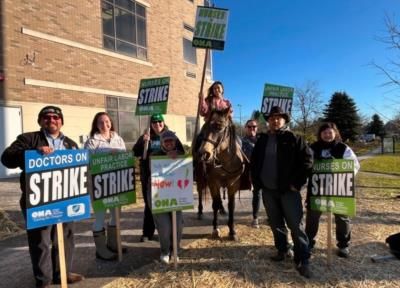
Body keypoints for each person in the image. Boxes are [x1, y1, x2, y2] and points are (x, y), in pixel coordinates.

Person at [1, 105, 84, 288]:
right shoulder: (29, 139)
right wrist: (32, 152)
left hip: (66, 199)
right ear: (40, 121)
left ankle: (62, 273)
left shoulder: (70, 143)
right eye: (46, 117)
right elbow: (7, 157)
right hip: (38, 201)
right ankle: (44, 280)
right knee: (41, 242)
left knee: (66, 237)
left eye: (55, 117)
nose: (51, 120)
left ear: (61, 121)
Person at [250, 106, 313, 278]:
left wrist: (297, 183)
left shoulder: (294, 138)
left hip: (288, 191)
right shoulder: (262, 140)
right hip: (268, 191)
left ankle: (303, 259)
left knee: (295, 225)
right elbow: (254, 162)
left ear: (285, 120)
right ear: (268, 121)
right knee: (276, 223)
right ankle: (282, 250)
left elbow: (308, 161)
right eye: (271, 118)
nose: (274, 120)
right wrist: (257, 183)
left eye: (278, 118)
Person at [305, 122, 360, 258]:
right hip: (317, 190)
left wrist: (339, 169)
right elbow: (306, 164)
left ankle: (343, 245)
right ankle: (308, 242)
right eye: (324, 133)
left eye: (330, 132)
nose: (327, 135)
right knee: (312, 217)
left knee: (342, 217)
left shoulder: (343, 148)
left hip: (339, 189)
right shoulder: (313, 148)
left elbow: (354, 165)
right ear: (320, 134)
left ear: (335, 133)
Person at [133, 114, 184, 242]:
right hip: (149, 176)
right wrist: (142, 142)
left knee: (168, 205)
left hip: (168, 177)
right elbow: (135, 152)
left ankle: (170, 234)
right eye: (154, 122)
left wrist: (176, 153)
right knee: (150, 205)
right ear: (151, 124)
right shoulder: (146, 136)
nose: (157, 124)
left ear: (163, 122)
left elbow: (182, 152)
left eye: (159, 121)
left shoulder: (171, 135)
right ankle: (147, 232)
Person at [84, 112, 126, 261]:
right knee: (100, 217)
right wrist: (108, 153)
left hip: (116, 183)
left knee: (116, 216)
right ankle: (101, 250)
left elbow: (125, 158)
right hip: (99, 185)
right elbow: (87, 162)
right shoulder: (92, 142)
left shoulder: (118, 138)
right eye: (101, 122)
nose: (105, 124)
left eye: (107, 121)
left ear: (111, 122)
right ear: (96, 125)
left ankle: (113, 244)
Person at [150, 130, 185, 264]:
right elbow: (153, 170)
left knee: (178, 225)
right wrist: (166, 159)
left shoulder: (182, 154)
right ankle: (165, 251)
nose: (169, 143)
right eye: (166, 141)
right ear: (162, 143)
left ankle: (175, 250)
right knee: (164, 226)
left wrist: (179, 157)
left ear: (175, 142)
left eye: (172, 140)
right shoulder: (154, 155)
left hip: (176, 195)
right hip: (159, 195)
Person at [241, 119, 261, 228]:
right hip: (246, 171)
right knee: (256, 194)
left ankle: (258, 216)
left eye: (254, 127)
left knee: (264, 195)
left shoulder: (262, 140)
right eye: (249, 127)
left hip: (261, 171)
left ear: (257, 128)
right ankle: (255, 217)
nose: (252, 129)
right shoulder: (241, 141)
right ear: (245, 128)